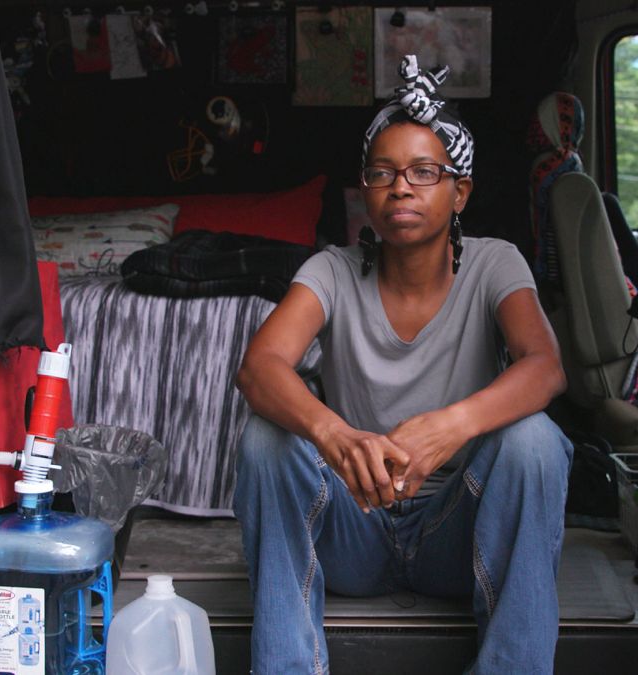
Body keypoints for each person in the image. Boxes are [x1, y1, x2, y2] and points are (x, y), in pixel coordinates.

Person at [233, 55, 573, 674]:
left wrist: (451, 426)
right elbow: (260, 367)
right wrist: (334, 434)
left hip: (459, 532)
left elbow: (545, 366)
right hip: (353, 529)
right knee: (266, 439)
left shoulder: (496, 263)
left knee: (535, 442)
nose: (401, 188)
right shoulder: (332, 270)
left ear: (459, 191)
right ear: (365, 190)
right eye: (383, 173)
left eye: (424, 172)